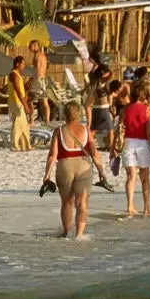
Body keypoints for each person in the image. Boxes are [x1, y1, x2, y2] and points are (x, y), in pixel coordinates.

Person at [45, 102, 110, 238]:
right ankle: (79, 235)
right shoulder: (86, 130)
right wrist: (101, 172)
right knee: (82, 203)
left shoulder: (59, 131)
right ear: (78, 114)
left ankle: (67, 231)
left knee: (67, 202)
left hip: (65, 166)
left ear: (65, 114)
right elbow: (95, 154)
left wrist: (47, 175)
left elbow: (52, 155)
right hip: (83, 166)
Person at [120, 83, 150, 217]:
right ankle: (147, 207)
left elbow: (119, 128)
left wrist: (114, 147)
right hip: (142, 143)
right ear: (143, 96)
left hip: (128, 142)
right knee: (145, 177)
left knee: (131, 177)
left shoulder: (125, 109)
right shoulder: (147, 110)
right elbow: (149, 134)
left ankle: (130, 205)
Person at [6, 56, 31, 151]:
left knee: (23, 124)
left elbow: (21, 89)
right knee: (18, 124)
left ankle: (25, 145)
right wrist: (25, 104)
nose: (24, 65)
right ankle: (15, 145)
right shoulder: (14, 75)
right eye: (23, 63)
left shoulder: (17, 75)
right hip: (16, 101)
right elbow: (17, 90)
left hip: (18, 101)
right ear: (17, 64)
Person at [28, 39, 52, 124]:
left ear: (35, 46)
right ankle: (47, 120)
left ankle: (31, 121)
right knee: (44, 101)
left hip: (37, 79)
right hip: (43, 79)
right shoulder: (43, 55)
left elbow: (37, 69)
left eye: (30, 46)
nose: (28, 48)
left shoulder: (37, 55)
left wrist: (31, 79)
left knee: (29, 99)